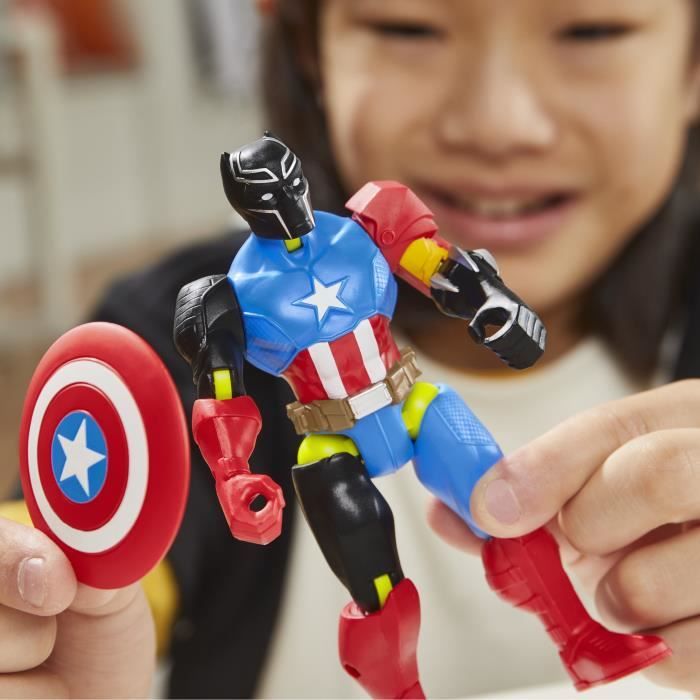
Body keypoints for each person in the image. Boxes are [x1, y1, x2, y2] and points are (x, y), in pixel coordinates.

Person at [2, 0, 700, 697]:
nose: (497, 126)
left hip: (411, 402)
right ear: (309, 48)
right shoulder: (215, 300)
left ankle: (579, 638)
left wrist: (491, 304)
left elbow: (436, 266)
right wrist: (228, 479)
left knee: (507, 508)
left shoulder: (366, 226)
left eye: (593, 29)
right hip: (327, 439)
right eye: (406, 26)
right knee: (371, 571)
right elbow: (207, 403)